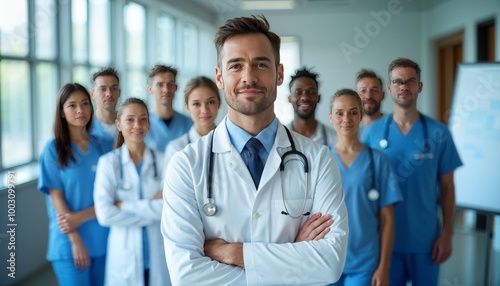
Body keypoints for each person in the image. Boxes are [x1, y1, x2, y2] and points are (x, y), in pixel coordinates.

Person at [161, 15, 348, 285]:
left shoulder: (317, 159)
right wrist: (293, 253)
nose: (249, 77)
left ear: (279, 73)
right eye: (236, 66)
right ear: (220, 77)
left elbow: (329, 264)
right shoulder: (186, 165)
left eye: (260, 64)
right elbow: (186, 275)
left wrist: (233, 253)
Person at [361, 58, 463, 286]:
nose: (403, 87)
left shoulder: (439, 133)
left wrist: (447, 234)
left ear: (420, 86)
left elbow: (448, 187)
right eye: (397, 82)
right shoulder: (371, 134)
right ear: (389, 88)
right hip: (385, 243)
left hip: (426, 241)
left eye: (410, 81)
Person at [328, 89, 402, 286]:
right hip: (326, 260)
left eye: (353, 112)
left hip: (364, 263)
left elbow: (388, 218)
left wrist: (383, 268)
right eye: (339, 113)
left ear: (361, 116)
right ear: (330, 117)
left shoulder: (378, 160)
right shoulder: (320, 160)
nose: (346, 119)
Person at [38, 83, 109, 286]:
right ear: (61, 111)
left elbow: (112, 195)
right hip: (68, 242)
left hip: (102, 238)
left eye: (85, 103)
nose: (80, 110)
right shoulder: (52, 149)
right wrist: (75, 241)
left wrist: (80, 217)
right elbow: (56, 196)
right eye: (72, 105)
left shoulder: (102, 145)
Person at [93, 97, 170, 286]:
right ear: (119, 124)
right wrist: (153, 210)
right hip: (124, 256)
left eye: (143, 119)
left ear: (149, 123)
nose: (137, 124)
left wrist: (124, 206)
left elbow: (169, 210)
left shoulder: (163, 161)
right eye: (130, 119)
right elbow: (104, 215)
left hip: (158, 255)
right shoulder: (108, 163)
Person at [164, 76, 221, 165]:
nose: (204, 110)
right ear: (187, 107)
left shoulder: (231, 143)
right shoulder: (176, 149)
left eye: (210, 102)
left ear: (219, 103)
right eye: (196, 104)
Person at [144, 64, 192, 152]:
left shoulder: (189, 123)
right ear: (150, 89)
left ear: (176, 87)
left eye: (170, 84)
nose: (166, 89)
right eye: (160, 85)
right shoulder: (143, 123)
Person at [287, 67, 337, 146]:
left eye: (311, 92)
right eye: (298, 92)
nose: (305, 97)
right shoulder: (279, 137)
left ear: (319, 98)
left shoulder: (334, 138)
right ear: (289, 99)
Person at [89, 67, 121, 150]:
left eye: (113, 88)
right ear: (92, 94)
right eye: (102, 89)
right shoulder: (86, 127)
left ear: (119, 92)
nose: (109, 94)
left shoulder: (129, 124)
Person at [355, 69, 385, 135]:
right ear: (356, 96)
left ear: (382, 95)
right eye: (363, 90)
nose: (368, 96)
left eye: (374, 90)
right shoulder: (349, 129)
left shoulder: (394, 126)